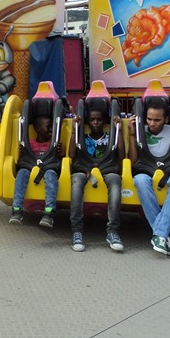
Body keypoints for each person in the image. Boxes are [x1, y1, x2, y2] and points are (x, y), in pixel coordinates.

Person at [129, 104, 170, 256]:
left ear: (166, 119)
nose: (152, 123)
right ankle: (163, 235)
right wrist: (132, 135)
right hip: (146, 171)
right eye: (149, 119)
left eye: (157, 120)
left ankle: (160, 234)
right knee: (140, 180)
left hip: (169, 171)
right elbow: (134, 162)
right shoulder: (140, 130)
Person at [68, 107, 126, 252]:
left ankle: (113, 231)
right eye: (92, 120)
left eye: (99, 120)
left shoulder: (110, 137)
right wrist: (75, 130)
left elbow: (121, 155)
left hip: (107, 170)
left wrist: (118, 131)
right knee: (76, 182)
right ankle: (77, 230)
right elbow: (71, 153)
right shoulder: (83, 138)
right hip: (85, 170)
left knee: (115, 181)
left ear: (105, 121)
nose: (95, 122)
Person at [9, 115, 61, 228]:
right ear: (37, 128)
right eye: (48, 126)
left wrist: (59, 153)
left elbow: (58, 160)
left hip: (47, 169)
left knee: (51, 174)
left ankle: (49, 212)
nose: (51, 129)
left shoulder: (53, 145)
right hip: (30, 168)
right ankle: (16, 209)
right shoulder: (30, 144)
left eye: (52, 127)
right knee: (22, 173)